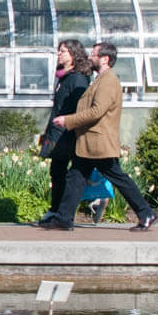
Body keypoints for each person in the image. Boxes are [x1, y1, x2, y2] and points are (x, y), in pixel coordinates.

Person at [43, 41, 158, 232]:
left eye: (94, 55)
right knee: (75, 177)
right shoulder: (100, 79)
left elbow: (97, 111)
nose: (90, 57)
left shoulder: (108, 81)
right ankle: (64, 218)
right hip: (91, 142)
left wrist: (68, 121)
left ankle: (146, 212)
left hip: (99, 142)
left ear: (105, 59)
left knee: (118, 177)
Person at [36, 40, 93, 225]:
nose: (59, 54)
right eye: (59, 51)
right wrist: (47, 132)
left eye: (63, 51)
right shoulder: (63, 78)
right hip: (58, 130)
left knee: (63, 172)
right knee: (57, 171)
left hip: (67, 132)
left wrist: (67, 125)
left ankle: (59, 211)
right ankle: (56, 210)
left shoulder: (77, 79)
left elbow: (78, 108)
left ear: (74, 55)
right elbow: (57, 108)